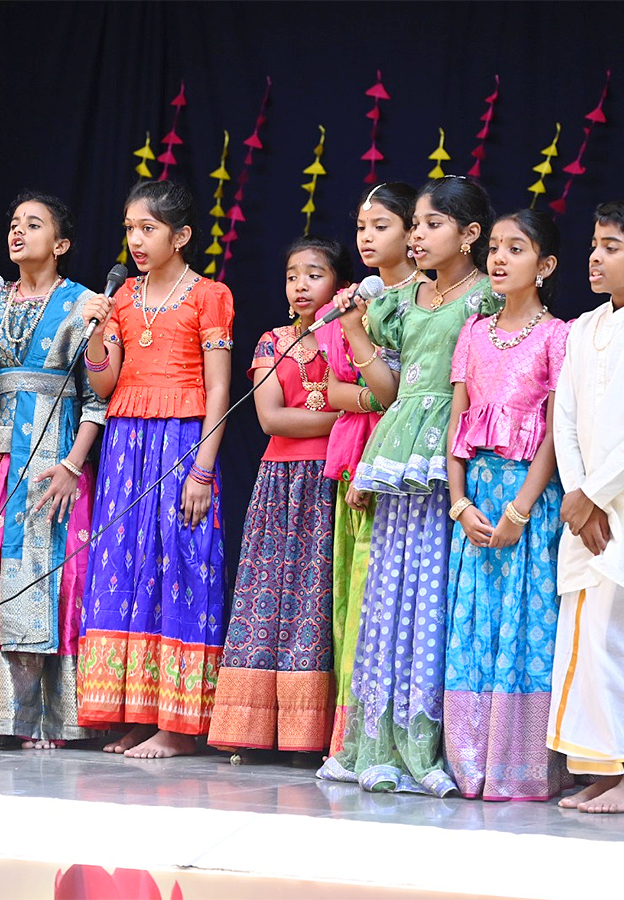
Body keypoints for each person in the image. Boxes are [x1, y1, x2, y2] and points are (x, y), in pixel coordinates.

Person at [318, 176, 501, 795]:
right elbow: (391, 389)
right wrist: (354, 330)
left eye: (430, 225)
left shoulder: (482, 301)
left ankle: (429, 741)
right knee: (388, 593)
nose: (417, 236)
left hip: (448, 452)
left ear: (470, 235)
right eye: (415, 225)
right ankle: (376, 740)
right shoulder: (403, 298)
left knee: (431, 593)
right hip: (398, 446)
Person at [79, 180, 233, 759]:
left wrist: (202, 469)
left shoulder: (209, 295)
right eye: (129, 229)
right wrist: (96, 329)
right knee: (127, 563)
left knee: (181, 565)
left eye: (148, 228)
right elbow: (103, 382)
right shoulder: (121, 299)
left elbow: (218, 387)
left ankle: (180, 724)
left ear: (182, 236)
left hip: (183, 442)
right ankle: (138, 712)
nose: (136, 240)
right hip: (126, 443)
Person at [0, 192, 106, 748]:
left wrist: (72, 464)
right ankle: (3, 718)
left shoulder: (82, 302)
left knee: (60, 575)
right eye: (14, 223)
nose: (18, 232)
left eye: (33, 224)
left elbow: (98, 396)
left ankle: (54, 719)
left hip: (58, 458)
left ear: (61, 244)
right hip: (1, 460)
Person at [442, 208, 570, 801]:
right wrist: (458, 501)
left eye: (516, 249)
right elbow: (457, 424)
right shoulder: (473, 333)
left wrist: (520, 510)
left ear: (544, 266)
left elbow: (553, 434)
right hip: (476, 502)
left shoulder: (556, 337)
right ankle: (470, 762)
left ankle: (520, 767)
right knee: (473, 624)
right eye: (494, 246)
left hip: (528, 501)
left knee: (525, 627)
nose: (498, 258)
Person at [207, 237, 345, 755]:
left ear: (340, 283)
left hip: (334, 479)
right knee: (268, 597)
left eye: (314, 273)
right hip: (279, 484)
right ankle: (253, 729)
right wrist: (352, 418)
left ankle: (313, 735)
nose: (301, 285)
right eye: (293, 275)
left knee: (318, 599)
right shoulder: (273, 341)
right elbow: (272, 418)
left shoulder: (353, 343)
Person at [549, 200, 624, 814]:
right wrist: (577, 496)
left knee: (620, 636)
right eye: (594, 243)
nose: (595, 255)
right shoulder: (582, 329)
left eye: (612, 246)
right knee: (584, 641)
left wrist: (594, 494)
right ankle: (610, 768)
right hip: (586, 514)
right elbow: (566, 421)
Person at [321, 183, 413, 754]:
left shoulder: (424, 300)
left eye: (381, 225)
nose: (367, 237)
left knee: (386, 597)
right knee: (350, 596)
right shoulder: (360, 298)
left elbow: (401, 392)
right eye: (361, 227)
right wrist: (367, 397)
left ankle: (387, 730)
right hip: (350, 455)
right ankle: (349, 736)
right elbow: (330, 386)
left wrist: (370, 395)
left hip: (399, 458)